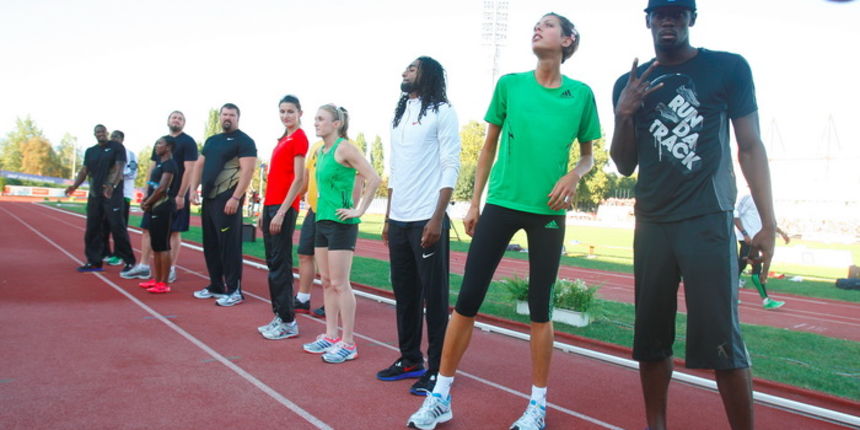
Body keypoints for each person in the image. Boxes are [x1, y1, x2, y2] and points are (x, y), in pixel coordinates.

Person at [408, 12, 599, 430]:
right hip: (502, 204)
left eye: (548, 25)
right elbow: (487, 148)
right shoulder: (509, 85)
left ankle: (537, 406)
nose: (538, 28)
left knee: (540, 309)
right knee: (468, 300)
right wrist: (474, 203)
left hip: (548, 212)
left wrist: (574, 174)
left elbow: (588, 155)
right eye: (537, 25)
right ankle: (440, 396)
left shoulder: (581, 94)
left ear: (567, 40)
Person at [609, 1, 776, 428]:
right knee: (651, 340)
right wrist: (624, 113)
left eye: (678, 12)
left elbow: (751, 146)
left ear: (692, 19)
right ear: (647, 20)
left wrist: (767, 223)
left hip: (708, 221)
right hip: (652, 225)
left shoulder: (729, 68)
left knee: (724, 344)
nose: (669, 20)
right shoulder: (628, 83)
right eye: (660, 13)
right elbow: (624, 164)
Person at [378, 56, 460, 396]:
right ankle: (410, 358)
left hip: (427, 218)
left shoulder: (443, 111)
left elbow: (450, 164)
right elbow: (395, 169)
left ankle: (438, 369)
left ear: (426, 74)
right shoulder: (399, 115)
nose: (404, 72)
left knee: (435, 298)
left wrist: (437, 218)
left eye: (411, 69)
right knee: (406, 294)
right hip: (398, 219)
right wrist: (387, 217)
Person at [301, 104, 380, 364]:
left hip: (341, 224)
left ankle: (348, 342)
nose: (316, 123)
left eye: (321, 119)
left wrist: (359, 210)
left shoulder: (344, 147)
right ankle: (330, 335)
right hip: (321, 220)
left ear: (336, 124)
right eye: (315, 119)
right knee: (325, 282)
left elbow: (373, 177)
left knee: (339, 283)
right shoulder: (321, 152)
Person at [189, 103, 257, 306]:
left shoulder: (244, 141)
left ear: (238, 118)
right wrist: (193, 189)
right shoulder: (212, 140)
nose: (228, 117)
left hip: (227, 199)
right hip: (209, 199)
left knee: (229, 245)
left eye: (232, 115)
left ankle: (234, 290)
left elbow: (248, 171)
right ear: (220, 117)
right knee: (211, 244)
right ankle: (216, 285)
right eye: (225, 114)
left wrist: (235, 197)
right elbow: (199, 164)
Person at [121, 111, 198, 283]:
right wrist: (146, 191)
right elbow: (152, 166)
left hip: (173, 196)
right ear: (168, 121)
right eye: (174, 117)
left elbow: (190, 169)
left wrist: (181, 195)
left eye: (180, 118)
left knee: (174, 231)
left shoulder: (188, 142)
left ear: (184, 123)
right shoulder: (160, 142)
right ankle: (143, 266)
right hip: (155, 195)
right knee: (147, 228)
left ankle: (170, 268)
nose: (176, 120)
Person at [256, 95, 308, 340]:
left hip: (283, 208)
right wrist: (264, 211)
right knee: (273, 263)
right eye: (282, 111)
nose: (286, 115)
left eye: (290, 111)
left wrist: (280, 212)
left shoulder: (299, 138)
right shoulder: (282, 140)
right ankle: (280, 315)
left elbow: (298, 180)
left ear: (300, 113)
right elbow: (275, 179)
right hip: (271, 206)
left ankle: (288, 321)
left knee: (281, 264)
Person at [65, 124, 137, 273]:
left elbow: (119, 167)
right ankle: (94, 261)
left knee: (118, 227)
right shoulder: (90, 151)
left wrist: (111, 185)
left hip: (113, 194)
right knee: (92, 228)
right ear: (94, 134)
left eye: (103, 131)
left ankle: (129, 260)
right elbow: (84, 171)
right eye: (98, 132)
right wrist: (74, 186)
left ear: (107, 133)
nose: (100, 134)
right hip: (95, 195)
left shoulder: (117, 148)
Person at [137, 136, 178, 294]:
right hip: (154, 207)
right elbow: (154, 187)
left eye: (159, 143)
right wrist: (147, 200)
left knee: (163, 245)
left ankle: (164, 282)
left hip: (163, 208)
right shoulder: (161, 164)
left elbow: (162, 189)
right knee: (155, 245)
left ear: (168, 147)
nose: (156, 146)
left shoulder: (169, 165)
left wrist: (147, 202)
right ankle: (157, 279)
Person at [735, 193, 789, 310]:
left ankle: (729, 296)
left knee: (739, 268)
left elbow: (766, 223)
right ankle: (766, 300)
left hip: (759, 240)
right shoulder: (747, 198)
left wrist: (781, 233)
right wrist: (744, 234)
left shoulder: (763, 201)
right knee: (755, 269)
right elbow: (735, 215)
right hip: (749, 240)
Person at [293, 138, 327, 319]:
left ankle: (332, 303)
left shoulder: (349, 146)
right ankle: (303, 299)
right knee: (305, 254)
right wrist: (290, 198)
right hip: (313, 210)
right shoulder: (315, 147)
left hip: (331, 212)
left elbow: (358, 180)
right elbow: (305, 180)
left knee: (327, 262)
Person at [101, 130, 137, 266]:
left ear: (122, 139)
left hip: (124, 194)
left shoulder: (130, 154)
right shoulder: (108, 152)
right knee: (105, 225)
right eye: (112, 137)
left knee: (119, 226)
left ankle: (119, 254)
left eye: (117, 137)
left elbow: (133, 171)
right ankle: (106, 252)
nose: (114, 139)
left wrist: (118, 175)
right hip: (107, 194)